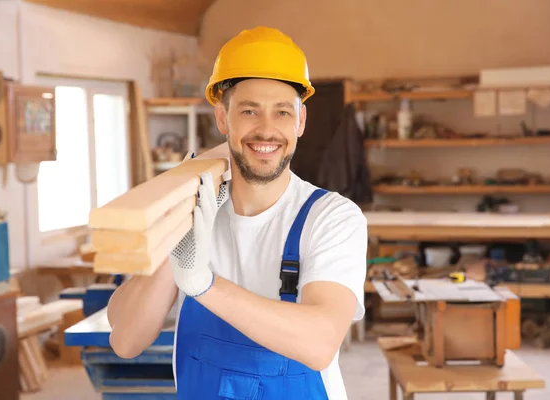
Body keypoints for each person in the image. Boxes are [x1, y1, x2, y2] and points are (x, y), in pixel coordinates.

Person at [107, 26, 368, 399]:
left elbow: (319, 342)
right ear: (222, 119)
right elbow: (127, 340)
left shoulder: (331, 217)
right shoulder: (198, 209)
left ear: (301, 121)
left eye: (282, 112)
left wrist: (204, 284)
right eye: (249, 111)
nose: (266, 129)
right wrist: (182, 217)